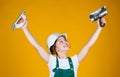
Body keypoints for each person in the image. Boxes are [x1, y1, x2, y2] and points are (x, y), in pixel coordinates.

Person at [14, 13, 106, 77]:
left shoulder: (74, 61)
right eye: (60, 41)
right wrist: (24, 28)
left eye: (65, 40)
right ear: (56, 49)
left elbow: (88, 45)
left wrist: (99, 27)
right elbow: (37, 47)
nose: (65, 42)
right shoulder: (52, 61)